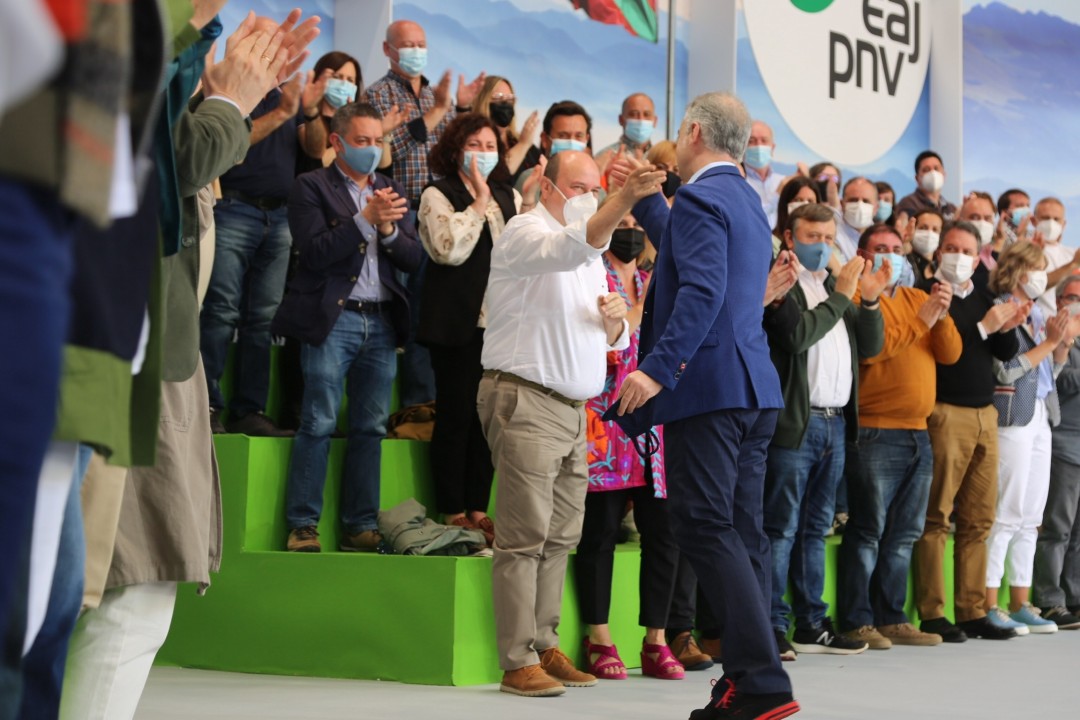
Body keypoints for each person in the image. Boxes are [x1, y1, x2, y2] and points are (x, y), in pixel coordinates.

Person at [613, 92, 799, 720]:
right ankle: (753, 678)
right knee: (740, 533)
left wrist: (655, 370)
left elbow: (700, 288)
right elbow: (695, 254)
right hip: (753, 390)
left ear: (693, 131)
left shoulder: (698, 198)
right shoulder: (743, 198)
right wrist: (647, 202)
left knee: (704, 525)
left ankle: (761, 681)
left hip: (709, 391)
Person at [478, 149, 659, 697]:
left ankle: (544, 643)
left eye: (595, 188)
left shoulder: (590, 258)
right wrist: (624, 199)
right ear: (546, 184)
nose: (589, 196)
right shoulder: (524, 231)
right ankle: (516, 660)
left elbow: (615, 338)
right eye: (578, 186)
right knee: (524, 536)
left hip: (575, 409)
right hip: (526, 399)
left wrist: (615, 324)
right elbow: (572, 244)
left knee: (561, 535)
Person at [274, 102, 422, 554]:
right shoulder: (311, 186)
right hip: (333, 320)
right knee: (318, 421)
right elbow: (314, 251)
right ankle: (303, 525)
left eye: (378, 141)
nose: (372, 150)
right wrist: (364, 221)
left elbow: (414, 258)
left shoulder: (391, 189)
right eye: (362, 141)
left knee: (370, 427)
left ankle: (359, 525)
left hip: (381, 323)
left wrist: (391, 232)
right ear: (337, 143)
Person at [575, 211, 707, 682]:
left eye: (637, 220)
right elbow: (598, 346)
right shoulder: (592, 274)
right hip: (605, 424)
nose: (630, 228)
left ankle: (656, 639)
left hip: (656, 426)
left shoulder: (659, 280)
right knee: (600, 534)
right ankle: (599, 637)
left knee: (663, 534)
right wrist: (635, 313)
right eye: (622, 218)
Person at [763, 203, 887, 660]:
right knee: (781, 528)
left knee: (815, 529)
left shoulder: (834, 286)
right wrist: (843, 296)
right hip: (796, 424)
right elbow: (796, 337)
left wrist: (867, 300)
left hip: (836, 423)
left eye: (829, 238)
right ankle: (772, 625)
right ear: (790, 238)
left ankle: (811, 623)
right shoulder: (783, 284)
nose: (821, 245)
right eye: (812, 236)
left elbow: (870, 346)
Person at [199, 17, 329, 437]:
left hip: (281, 217)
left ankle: (250, 409)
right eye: (270, 41)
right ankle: (206, 405)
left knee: (263, 320)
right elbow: (233, 146)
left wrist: (309, 110)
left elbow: (315, 149)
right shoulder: (232, 85)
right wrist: (282, 113)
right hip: (234, 209)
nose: (277, 50)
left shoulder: (286, 92)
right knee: (220, 311)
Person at [838, 223, 962, 650]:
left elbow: (950, 353)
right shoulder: (856, 297)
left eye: (896, 248)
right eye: (880, 248)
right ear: (862, 255)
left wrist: (940, 315)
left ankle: (891, 617)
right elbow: (873, 351)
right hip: (875, 431)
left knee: (904, 533)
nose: (890, 254)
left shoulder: (915, 297)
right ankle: (856, 620)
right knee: (868, 530)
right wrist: (922, 322)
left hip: (918, 433)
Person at [415, 113, 537, 538]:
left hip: (502, 327)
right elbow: (447, 250)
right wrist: (479, 202)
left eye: (489, 147)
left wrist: (529, 201)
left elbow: (521, 254)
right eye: (474, 145)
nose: (483, 153)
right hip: (457, 325)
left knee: (490, 421)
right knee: (457, 416)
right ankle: (452, 508)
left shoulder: (509, 194)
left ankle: (478, 506)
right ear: (455, 151)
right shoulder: (438, 193)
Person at [364, 19, 486, 411]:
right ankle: (404, 406)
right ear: (388, 50)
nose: (416, 51)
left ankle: (428, 403)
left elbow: (453, 153)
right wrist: (435, 113)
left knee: (432, 311)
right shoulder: (377, 95)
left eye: (421, 44)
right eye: (407, 44)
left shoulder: (438, 95)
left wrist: (460, 109)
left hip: (444, 217)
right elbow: (386, 154)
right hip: (401, 213)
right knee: (404, 312)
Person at [912, 221, 1025, 642]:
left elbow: (1005, 353)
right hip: (945, 411)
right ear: (939, 252)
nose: (958, 256)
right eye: (951, 248)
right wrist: (984, 327)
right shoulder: (927, 295)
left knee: (979, 519)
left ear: (978, 257)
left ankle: (972, 610)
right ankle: (932, 612)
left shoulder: (984, 295)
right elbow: (945, 354)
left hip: (985, 413)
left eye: (966, 250)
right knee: (937, 515)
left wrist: (1006, 325)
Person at [985, 241, 1080, 634]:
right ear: (1017, 270)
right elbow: (1006, 371)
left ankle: (1021, 602)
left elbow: (1046, 377)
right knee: (1005, 512)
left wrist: (1060, 352)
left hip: (1042, 414)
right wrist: (1050, 345)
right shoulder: (1001, 308)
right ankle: (990, 603)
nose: (1043, 276)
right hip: (1011, 416)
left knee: (1031, 516)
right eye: (1037, 268)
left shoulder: (1039, 312)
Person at [1033, 276, 1080, 628]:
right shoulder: (1049, 334)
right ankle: (1049, 600)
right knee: (1058, 529)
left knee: (1077, 534)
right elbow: (1055, 381)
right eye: (1071, 297)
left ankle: (1074, 598)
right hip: (1064, 444)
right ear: (1059, 300)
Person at [472, 75, 542, 181]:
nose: (505, 103)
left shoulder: (523, 143)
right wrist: (523, 145)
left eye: (510, 99)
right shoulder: (475, 142)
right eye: (498, 98)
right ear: (483, 101)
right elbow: (497, 175)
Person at [1030, 196, 1080, 316]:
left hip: (1071, 324)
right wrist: (1073, 264)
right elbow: (1034, 287)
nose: (1051, 223)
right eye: (1045, 218)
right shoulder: (1023, 252)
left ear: (1064, 224)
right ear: (1033, 221)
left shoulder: (1072, 253)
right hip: (1037, 323)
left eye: (1056, 219)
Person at [595, 93, 658, 174]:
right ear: (621, 120)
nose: (641, 119)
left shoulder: (663, 158)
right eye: (633, 114)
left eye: (647, 114)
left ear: (655, 121)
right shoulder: (604, 158)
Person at [893, 150, 957, 227]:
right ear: (917, 178)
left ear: (944, 175)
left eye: (936, 169)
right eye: (926, 170)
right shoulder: (908, 204)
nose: (933, 173)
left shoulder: (951, 208)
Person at [743, 120, 785, 229]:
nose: (759, 146)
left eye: (764, 141)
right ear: (742, 147)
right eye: (751, 141)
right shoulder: (738, 181)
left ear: (772, 148)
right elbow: (751, 218)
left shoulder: (783, 181)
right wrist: (778, 194)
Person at [771, 176, 821, 256]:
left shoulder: (823, 241)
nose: (805, 205)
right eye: (798, 200)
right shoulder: (771, 242)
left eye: (810, 201)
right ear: (785, 204)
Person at [834, 177, 878, 263]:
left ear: (876, 208)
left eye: (866, 201)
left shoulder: (883, 236)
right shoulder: (832, 235)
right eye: (853, 200)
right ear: (842, 204)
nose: (860, 205)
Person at [904, 209, 944, 285]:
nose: (929, 233)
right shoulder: (904, 262)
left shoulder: (941, 267)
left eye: (935, 229)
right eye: (923, 228)